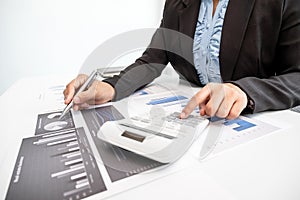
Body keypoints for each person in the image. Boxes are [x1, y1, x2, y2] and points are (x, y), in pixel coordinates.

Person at [63, 0, 300, 120]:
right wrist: (111, 86)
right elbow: (152, 60)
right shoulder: (177, 2)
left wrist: (244, 91)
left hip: (254, 124)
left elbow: (297, 76)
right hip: (193, 119)